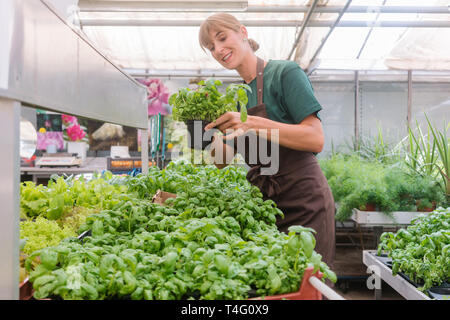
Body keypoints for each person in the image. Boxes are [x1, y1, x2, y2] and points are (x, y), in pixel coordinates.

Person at [199, 13, 335, 269]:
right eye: (211, 47)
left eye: (222, 38)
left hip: (306, 201)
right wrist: (207, 129)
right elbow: (221, 161)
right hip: (267, 206)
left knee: (309, 285)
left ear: (242, 32)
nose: (218, 50)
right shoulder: (237, 97)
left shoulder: (285, 73)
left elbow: (315, 139)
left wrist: (251, 123)